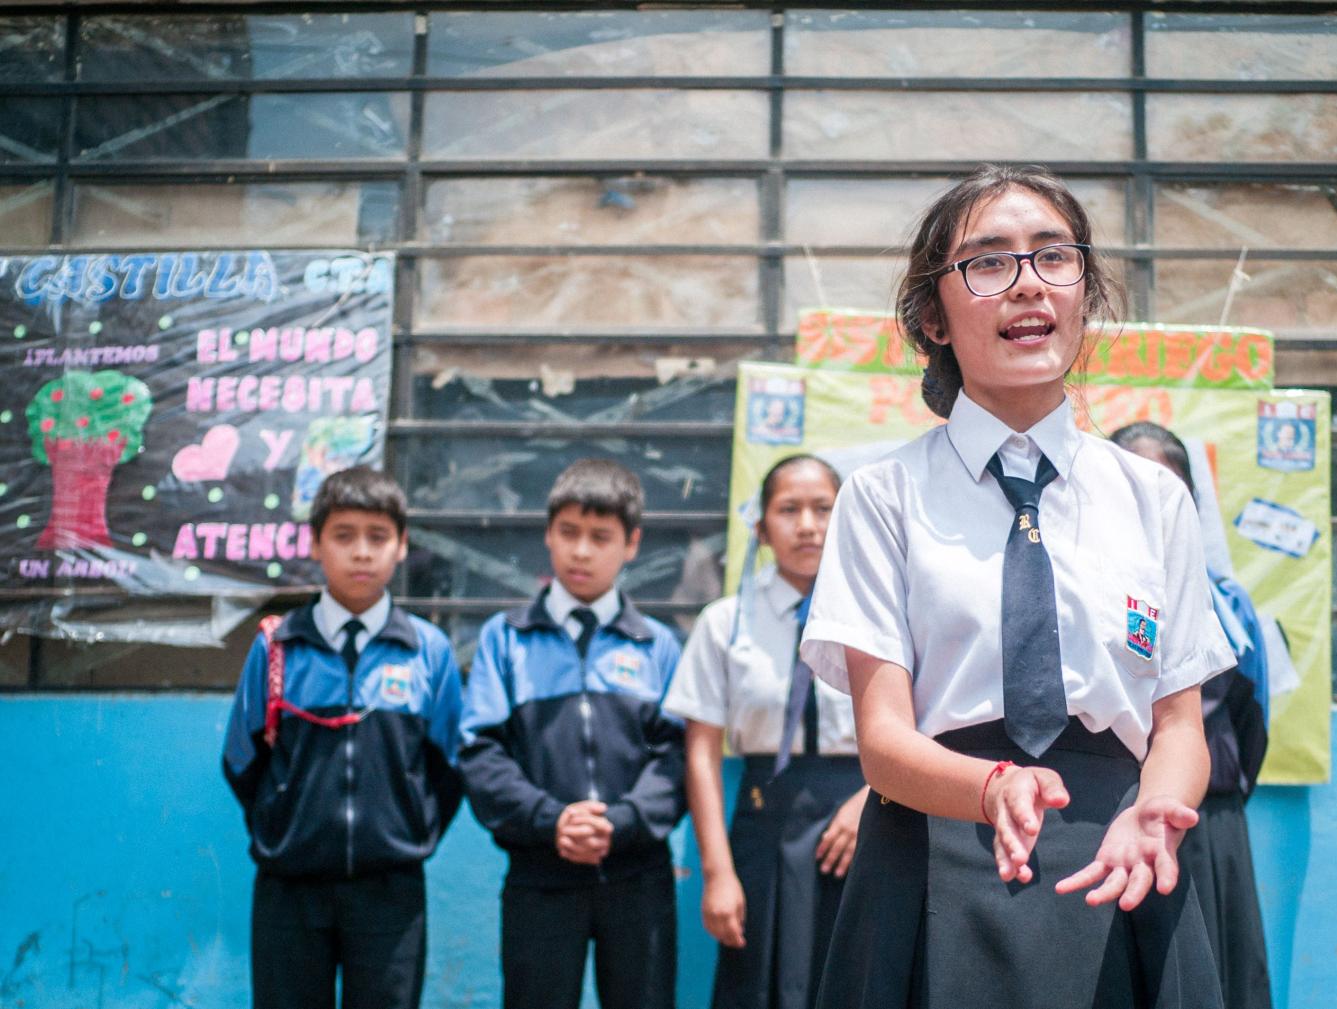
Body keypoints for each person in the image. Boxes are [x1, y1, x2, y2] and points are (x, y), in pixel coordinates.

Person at [800, 163, 1238, 1009]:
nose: (1027, 284)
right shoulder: (884, 495)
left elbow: (1178, 725)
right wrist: (993, 785)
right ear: (933, 314)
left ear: (1085, 292)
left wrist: (1158, 808)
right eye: (990, 262)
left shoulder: (1154, 498)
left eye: (1053, 257)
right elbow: (883, 742)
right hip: (935, 853)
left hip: (1121, 860)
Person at [222, 465, 464, 1009]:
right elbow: (242, 761)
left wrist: (404, 835)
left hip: (392, 894)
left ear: (402, 547)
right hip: (290, 890)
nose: (362, 552)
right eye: (344, 536)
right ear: (315, 544)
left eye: (378, 537)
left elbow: (448, 768)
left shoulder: (428, 651)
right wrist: (288, 832)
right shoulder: (278, 646)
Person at [460, 458, 685, 1009]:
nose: (582, 551)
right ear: (548, 535)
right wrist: (552, 819)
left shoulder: (657, 644)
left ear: (631, 544)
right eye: (569, 533)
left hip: (638, 878)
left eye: (601, 537)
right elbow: (481, 754)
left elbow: (677, 756)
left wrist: (622, 822)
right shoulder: (504, 639)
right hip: (540, 875)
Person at [665, 454, 867, 1009]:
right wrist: (717, 874)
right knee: (760, 986)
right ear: (761, 527)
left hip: (867, 822)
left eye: (823, 508)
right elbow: (702, 754)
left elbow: (923, 726)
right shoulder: (724, 622)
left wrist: (873, 799)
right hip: (763, 825)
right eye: (789, 509)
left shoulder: (883, 614)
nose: (807, 524)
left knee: (857, 980)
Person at [1110, 421, 1274, 1009]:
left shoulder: (1227, 602)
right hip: (1115, 818)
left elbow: (1252, 715)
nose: (1154, 504)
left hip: (1210, 824)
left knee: (1214, 976)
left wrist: (1212, 793)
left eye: (1169, 488)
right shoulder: (1088, 592)